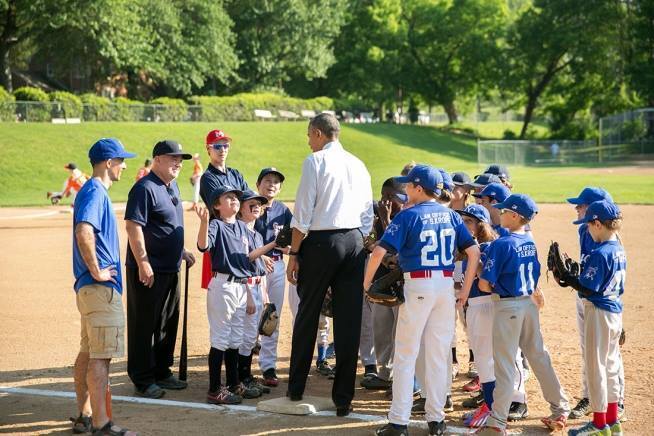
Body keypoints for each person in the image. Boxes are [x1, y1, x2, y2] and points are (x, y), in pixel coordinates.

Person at [365, 164, 480, 436]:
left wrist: (366, 284)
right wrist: (463, 292)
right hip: (444, 285)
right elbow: (473, 252)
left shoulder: (408, 216)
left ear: (418, 188)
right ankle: (437, 420)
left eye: (408, 185)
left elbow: (377, 254)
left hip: (417, 285)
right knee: (439, 355)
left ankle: (398, 422)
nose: (405, 189)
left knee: (406, 354)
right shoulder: (451, 216)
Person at [286, 113, 373, 417]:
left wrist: (295, 253)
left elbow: (303, 211)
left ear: (319, 133)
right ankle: (343, 399)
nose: (309, 142)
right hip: (354, 241)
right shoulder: (359, 163)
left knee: (308, 313)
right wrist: (357, 238)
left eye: (310, 136)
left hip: (323, 242)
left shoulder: (316, 161)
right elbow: (367, 213)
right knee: (348, 320)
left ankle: (296, 388)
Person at [476, 194, 570, 435]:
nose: (500, 213)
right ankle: (560, 409)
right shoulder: (529, 240)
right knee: (539, 357)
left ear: (515, 215)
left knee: (505, 365)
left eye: (504, 211)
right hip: (528, 305)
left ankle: (497, 422)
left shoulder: (501, 243)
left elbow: (485, 285)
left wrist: (478, 267)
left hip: (508, 308)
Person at [70, 138, 136, 435]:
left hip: (89, 290)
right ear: (108, 163)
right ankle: (102, 424)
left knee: (88, 351)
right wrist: (97, 271)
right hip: (99, 289)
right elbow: (84, 230)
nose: (124, 165)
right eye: (121, 160)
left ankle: (85, 415)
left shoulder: (93, 191)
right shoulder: (96, 191)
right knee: (101, 357)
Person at [124, 140, 196, 399]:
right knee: (144, 324)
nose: (178, 162)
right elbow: (133, 226)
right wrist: (143, 262)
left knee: (167, 321)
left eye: (181, 159)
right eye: (172, 157)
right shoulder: (144, 188)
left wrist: (181, 250)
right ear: (157, 159)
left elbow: (168, 223)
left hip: (170, 266)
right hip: (148, 269)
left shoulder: (171, 185)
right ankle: (142, 378)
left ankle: (162, 371)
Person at [562, 201, 626, 436]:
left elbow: (588, 288)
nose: (586, 229)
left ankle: (599, 424)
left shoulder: (600, 253)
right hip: (614, 312)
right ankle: (613, 420)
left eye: (588, 225)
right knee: (609, 365)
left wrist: (569, 278)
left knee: (595, 367)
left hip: (598, 313)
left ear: (598, 224)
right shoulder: (619, 248)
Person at [360, 178, 406, 392]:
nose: (385, 201)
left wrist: (387, 221)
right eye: (383, 195)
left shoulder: (406, 218)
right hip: (380, 282)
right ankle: (385, 373)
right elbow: (368, 240)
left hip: (400, 285)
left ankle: (400, 377)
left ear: (402, 198)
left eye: (390, 196)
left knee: (399, 332)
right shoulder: (377, 218)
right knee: (381, 329)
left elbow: (397, 251)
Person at [253, 167, 293, 387]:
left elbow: (289, 242)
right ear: (258, 184)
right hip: (254, 269)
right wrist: (260, 257)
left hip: (276, 267)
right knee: (251, 315)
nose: (272, 185)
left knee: (272, 317)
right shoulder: (250, 205)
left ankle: (268, 366)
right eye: (267, 180)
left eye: (276, 182)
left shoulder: (283, 211)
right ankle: (242, 362)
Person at [237, 189, 276, 398]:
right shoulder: (238, 231)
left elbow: (260, 268)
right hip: (245, 289)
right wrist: (250, 295)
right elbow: (241, 264)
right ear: (240, 208)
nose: (256, 205)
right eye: (250, 202)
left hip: (258, 287)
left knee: (252, 337)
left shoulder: (257, 234)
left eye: (259, 203)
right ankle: (240, 378)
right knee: (244, 337)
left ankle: (247, 376)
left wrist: (264, 295)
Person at [199, 129, 249, 290]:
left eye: (226, 146)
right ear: (208, 149)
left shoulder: (235, 174)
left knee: (243, 283)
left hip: (239, 231)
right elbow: (226, 208)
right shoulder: (208, 178)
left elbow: (248, 201)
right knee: (222, 285)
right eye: (217, 146)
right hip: (221, 236)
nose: (222, 150)